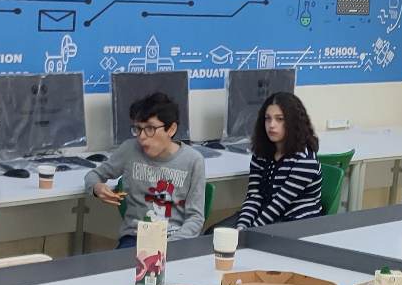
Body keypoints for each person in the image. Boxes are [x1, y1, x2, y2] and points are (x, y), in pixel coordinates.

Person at [90, 90, 206, 243]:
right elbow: (93, 175)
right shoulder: (129, 150)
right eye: (138, 129)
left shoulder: (193, 160)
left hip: (175, 239)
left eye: (150, 129)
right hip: (136, 237)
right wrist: (97, 188)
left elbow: (195, 218)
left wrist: (168, 245)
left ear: (171, 129)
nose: (142, 137)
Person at [234, 91, 321, 228]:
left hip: (297, 222)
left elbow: (279, 204)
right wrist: (242, 226)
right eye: (267, 118)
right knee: (214, 232)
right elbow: (254, 196)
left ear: (293, 122)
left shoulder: (305, 160)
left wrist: (249, 232)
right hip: (268, 216)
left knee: (248, 238)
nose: (271, 125)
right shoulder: (261, 153)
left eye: (279, 119)